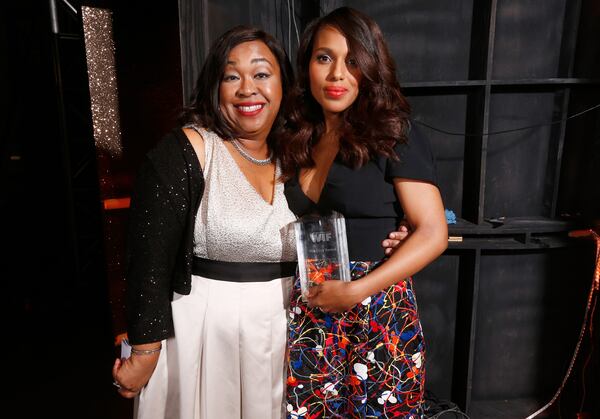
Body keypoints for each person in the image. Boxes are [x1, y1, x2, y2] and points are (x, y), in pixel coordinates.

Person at [111, 24, 408, 419]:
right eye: (231, 76)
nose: (247, 89)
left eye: (262, 74)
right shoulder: (190, 149)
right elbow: (148, 258)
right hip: (205, 335)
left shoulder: (300, 153)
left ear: (284, 85)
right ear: (215, 87)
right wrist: (145, 351)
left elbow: (345, 214)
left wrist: (399, 231)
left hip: (294, 333)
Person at [280, 7, 448, 418]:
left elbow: (433, 232)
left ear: (371, 67)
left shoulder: (394, 131)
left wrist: (357, 290)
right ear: (307, 66)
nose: (337, 73)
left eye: (353, 60)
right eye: (324, 58)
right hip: (312, 307)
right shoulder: (297, 136)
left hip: (376, 309)